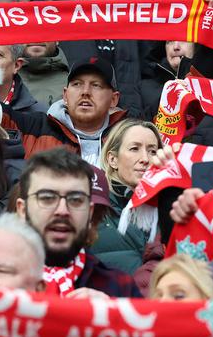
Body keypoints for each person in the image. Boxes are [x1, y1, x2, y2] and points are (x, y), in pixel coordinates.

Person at [14, 147, 140, 297]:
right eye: (47, 198)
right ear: (22, 210)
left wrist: (111, 315)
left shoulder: (119, 289)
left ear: (90, 213)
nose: (62, 211)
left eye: (76, 200)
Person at [93, 119, 161, 274]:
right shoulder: (93, 211)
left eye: (153, 151)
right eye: (134, 148)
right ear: (112, 160)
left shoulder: (171, 210)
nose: (145, 159)